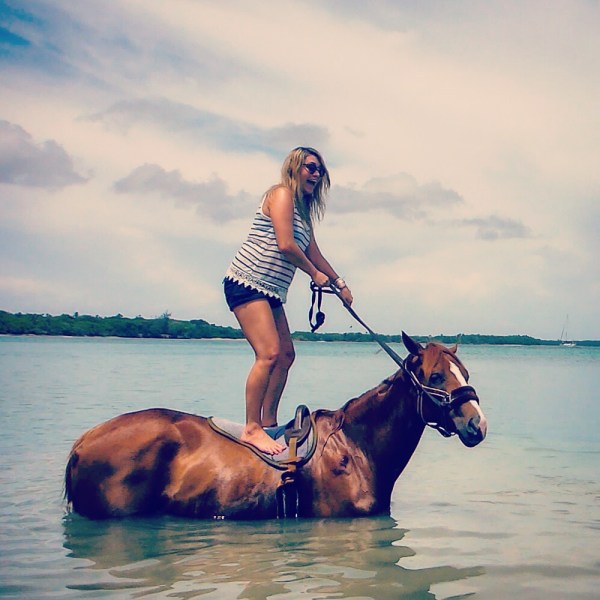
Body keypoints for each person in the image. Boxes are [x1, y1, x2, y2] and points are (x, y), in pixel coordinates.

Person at [223, 147, 353, 455]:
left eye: (320, 170)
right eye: (310, 167)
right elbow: (286, 245)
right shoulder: (281, 195)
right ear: (295, 168)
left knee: (286, 355)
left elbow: (313, 253)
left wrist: (339, 283)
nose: (316, 174)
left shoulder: (304, 213)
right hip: (247, 282)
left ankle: (268, 422)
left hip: (270, 291)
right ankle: (251, 429)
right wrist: (313, 274)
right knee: (268, 354)